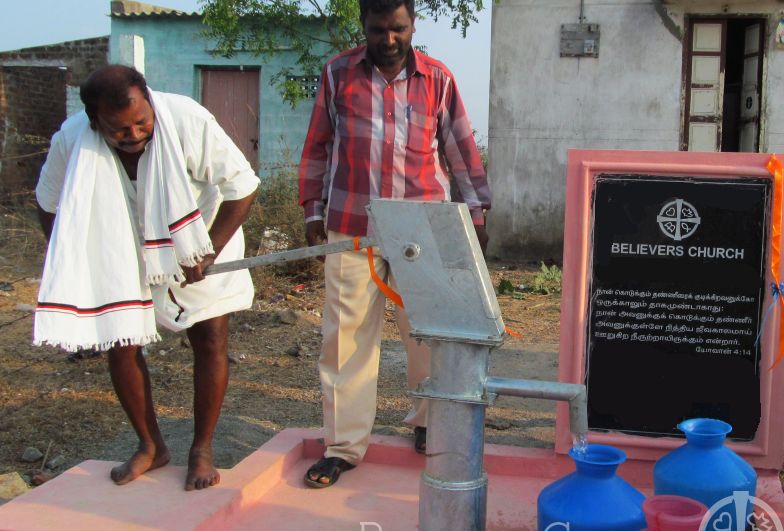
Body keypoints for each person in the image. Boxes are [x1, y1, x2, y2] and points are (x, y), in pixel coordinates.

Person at [34, 65, 260, 491]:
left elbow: (242, 185)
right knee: (121, 341)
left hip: (200, 236)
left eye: (141, 122)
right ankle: (151, 445)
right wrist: (72, 262)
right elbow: (47, 203)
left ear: (150, 102)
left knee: (210, 338)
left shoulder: (187, 118)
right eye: (119, 129)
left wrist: (207, 248)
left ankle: (201, 449)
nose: (134, 134)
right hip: (120, 248)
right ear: (93, 120)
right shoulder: (71, 140)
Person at [298, 0, 491, 488]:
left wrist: (476, 212)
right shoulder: (338, 74)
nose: (389, 40)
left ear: (412, 27)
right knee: (345, 338)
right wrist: (312, 210)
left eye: (398, 29)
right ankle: (342, 446)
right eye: (379, 29)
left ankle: (429, 421)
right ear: (363, 25)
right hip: (351, 223)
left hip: (423, 226)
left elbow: (460, 147)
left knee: (427, 330)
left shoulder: (438, 79)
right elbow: (319, 144)